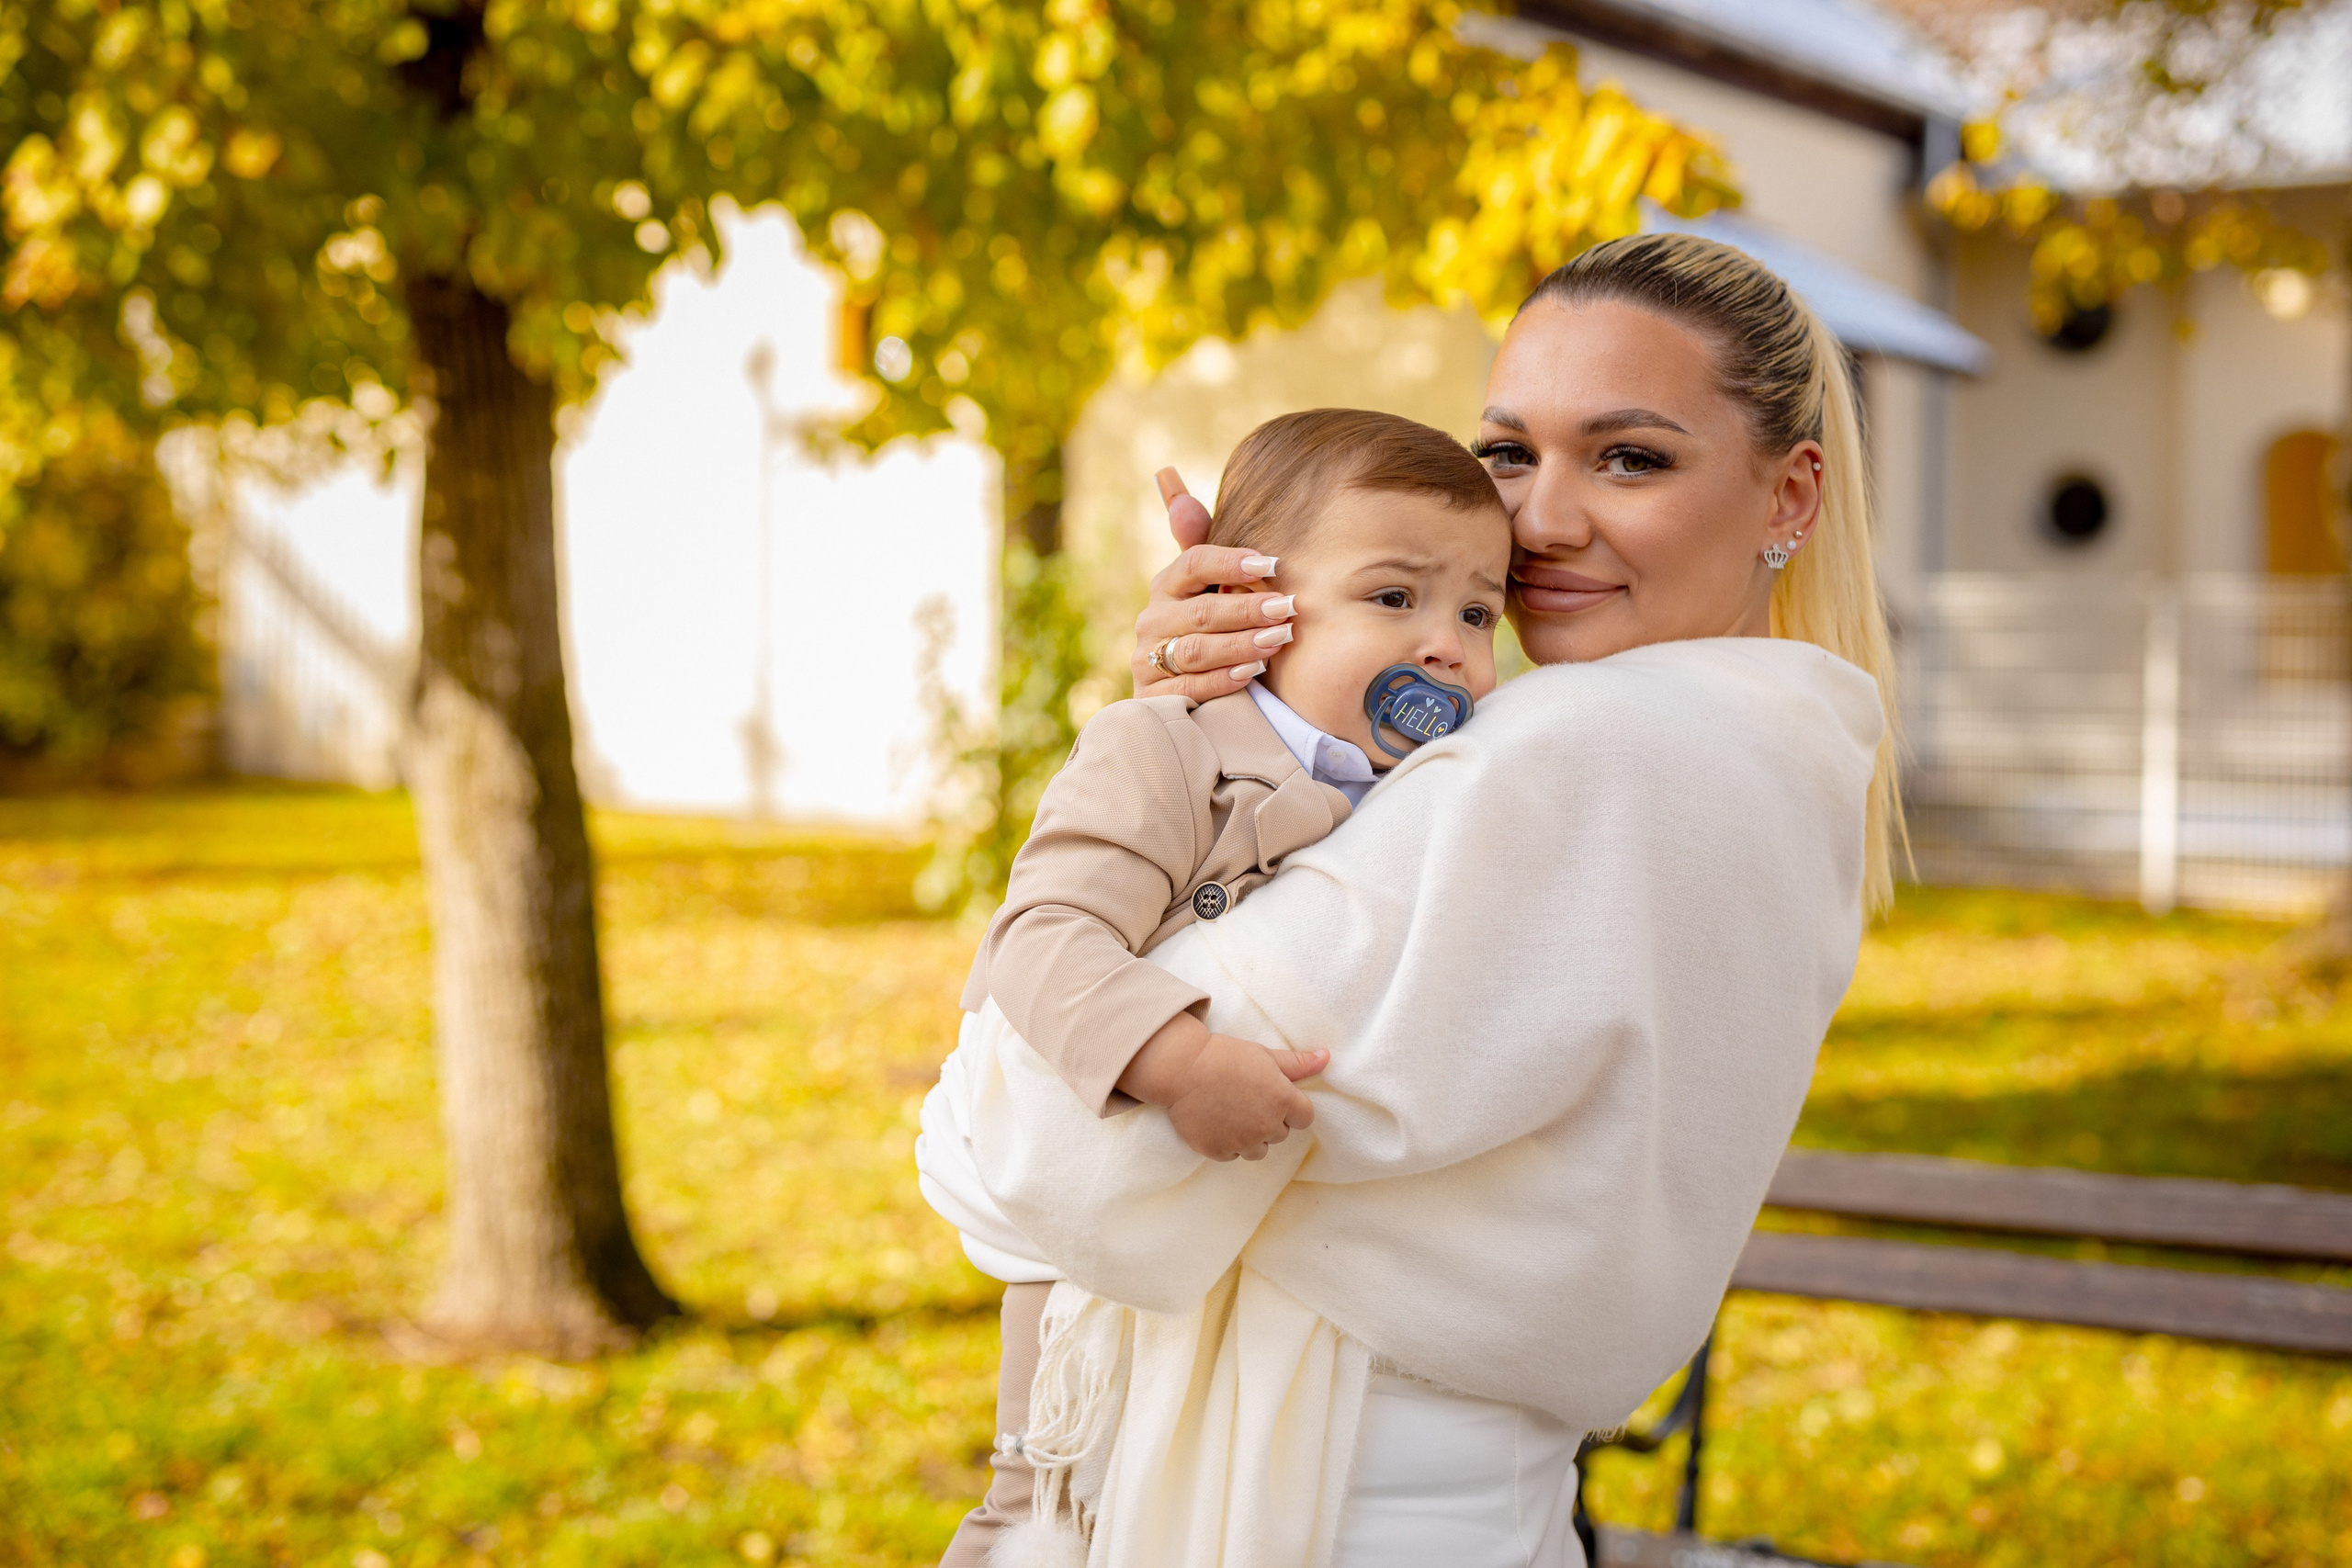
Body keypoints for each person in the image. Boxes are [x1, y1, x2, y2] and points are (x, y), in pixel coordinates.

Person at [940, 231, 1906, 1568]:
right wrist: (1243, 704)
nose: (1541, 520)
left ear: (1789, 492)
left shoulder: (1580, 759)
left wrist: (1184, 750)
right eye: (1509, 453)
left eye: (1630, 456)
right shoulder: (1770, 758)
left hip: (1326, 1503)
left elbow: (1024, 1147)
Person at [922, 409, 1515, 1566]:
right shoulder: (1164, 750)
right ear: (1253, 605)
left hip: (1255, 1257)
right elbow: (1042, 937)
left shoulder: (1423, 788)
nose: (1446, 644)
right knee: (1049, 1499)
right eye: (1394, 598)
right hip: (1089, 1210)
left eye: (1479, 611)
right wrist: (1178, 1061)